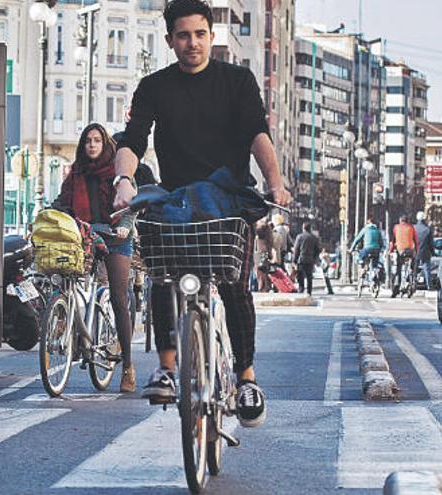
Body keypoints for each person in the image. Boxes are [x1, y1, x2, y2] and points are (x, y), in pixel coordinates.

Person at [112, 0, 292, 427]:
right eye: (182, 35)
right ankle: (168, 367)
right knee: (161, 273)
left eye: (199, 34)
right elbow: (133, 140)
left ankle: (246, 377)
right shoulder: (154, 86)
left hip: (228, 200)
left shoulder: (237, 80)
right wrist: (123, 181)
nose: (191, 43)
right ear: (171, 40)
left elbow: (257, 134)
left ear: (211, 35)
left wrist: (275, 182)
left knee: (233, 287)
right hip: (178, 201)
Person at [53, 123, 138, 393]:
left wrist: (124, 224)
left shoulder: (118, 171)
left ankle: (127, 367)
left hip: (115, 236)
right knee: (65, 276)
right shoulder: (76, 173)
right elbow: (63, 202)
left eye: (97, 140)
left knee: (118, 296)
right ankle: (70, 325)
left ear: (105, 144)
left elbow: (131, 203)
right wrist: (49, 214)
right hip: (86, 234)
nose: (92, 145)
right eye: (88, 140)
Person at [389, 215, 418, 296]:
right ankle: (411, 279)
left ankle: (396, 287)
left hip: (400, 251)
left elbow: (392, 240)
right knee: (412, 265)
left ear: (400, 220)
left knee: (398, 268)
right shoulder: (411, 228)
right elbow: (415, 240)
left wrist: (390, 251)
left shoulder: (396, 227)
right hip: (410, 251)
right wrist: (416, 251)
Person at [292, 222, 319, 295]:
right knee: (309, 276)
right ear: (310, 228)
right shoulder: (314, 238)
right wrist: (314, 259)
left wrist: (294, 260)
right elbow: (317, 250)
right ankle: (309, 291)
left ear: (303, 228)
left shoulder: (299, 237)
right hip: (310, 259)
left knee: (300, 275)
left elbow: (296, 249)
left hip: (301, 259)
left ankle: (301, 289)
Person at [414, 211, 434, 290]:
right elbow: (431, 243)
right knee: (427, 270)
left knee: (414, 270)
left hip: (415, 252)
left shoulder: (413, 228)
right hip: (425, 252)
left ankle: (413, 284)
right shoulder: (427, 229)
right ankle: (429, 285)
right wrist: (433, 252)